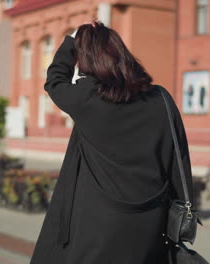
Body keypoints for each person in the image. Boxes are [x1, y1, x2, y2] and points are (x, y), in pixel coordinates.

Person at [29, 20, 195, 264]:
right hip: (151, 223)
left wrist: (71, 42)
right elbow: (178, 158)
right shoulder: (161, 99)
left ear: (88, 62)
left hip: (98, 226)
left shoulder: (87, 100)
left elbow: (55, 80)